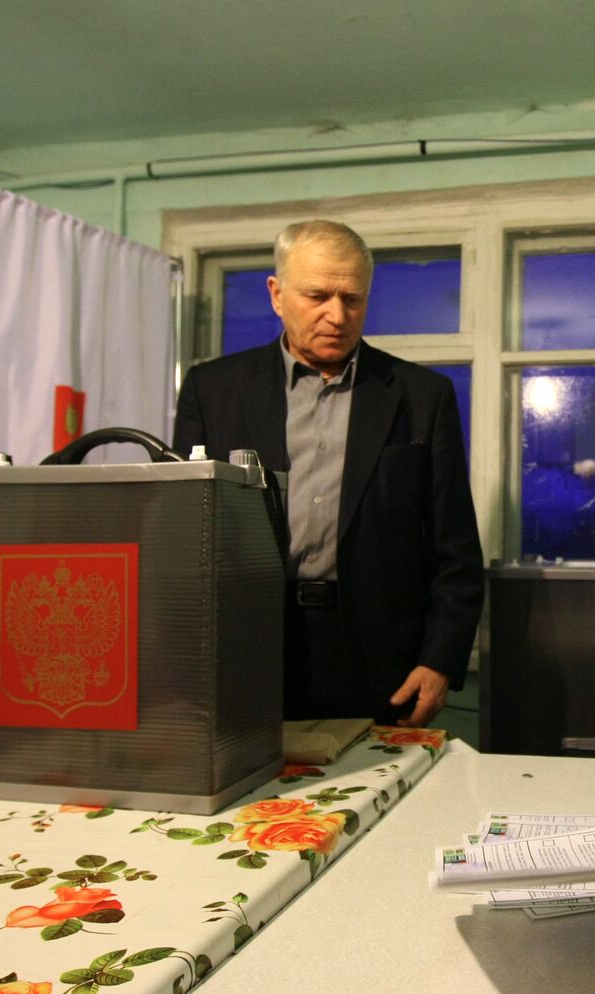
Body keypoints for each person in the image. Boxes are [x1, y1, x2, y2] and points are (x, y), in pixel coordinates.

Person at [174, 220, 483, 727]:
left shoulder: (421, 397)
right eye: (317, 295)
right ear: (277, 295)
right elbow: (186, 539)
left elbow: (455, 548)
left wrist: (440, 658)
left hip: (381, 655)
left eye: (352, 299)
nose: (335, 315)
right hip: (247, 647)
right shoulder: (214, 391)